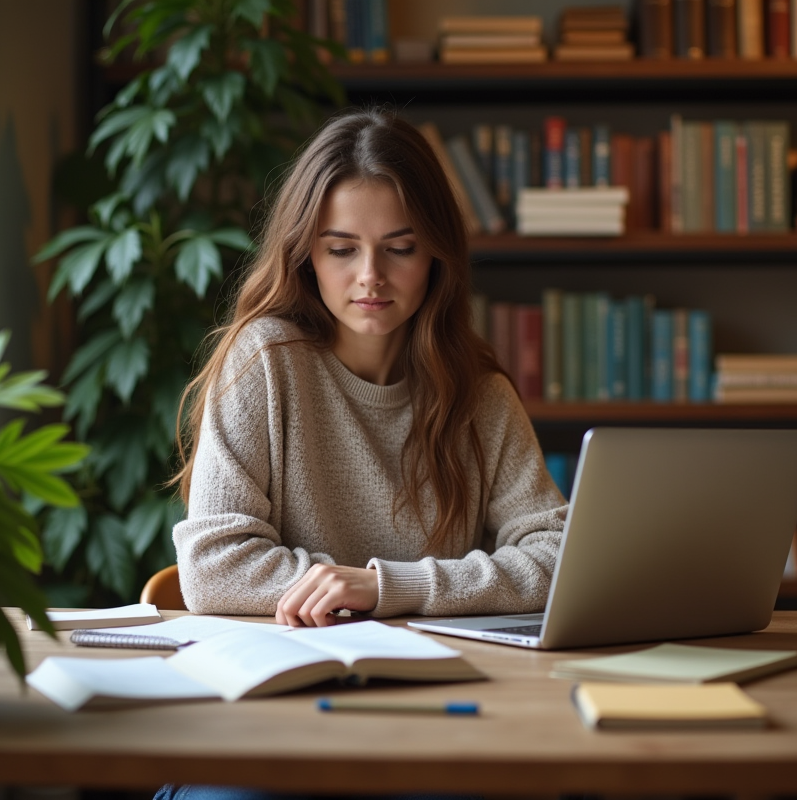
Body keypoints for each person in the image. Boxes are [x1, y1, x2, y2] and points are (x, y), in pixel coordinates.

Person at [169, 107, 568, 631]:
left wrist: (387, 587)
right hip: (299, 674)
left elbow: (561, 557)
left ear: (436, 256)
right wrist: (359, 590)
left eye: (400, 248)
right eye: (341, 250)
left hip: (445, 677)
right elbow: (211, 569)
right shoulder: (263, 362)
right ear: (305, 254)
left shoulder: (480, 392)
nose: (370, 277)